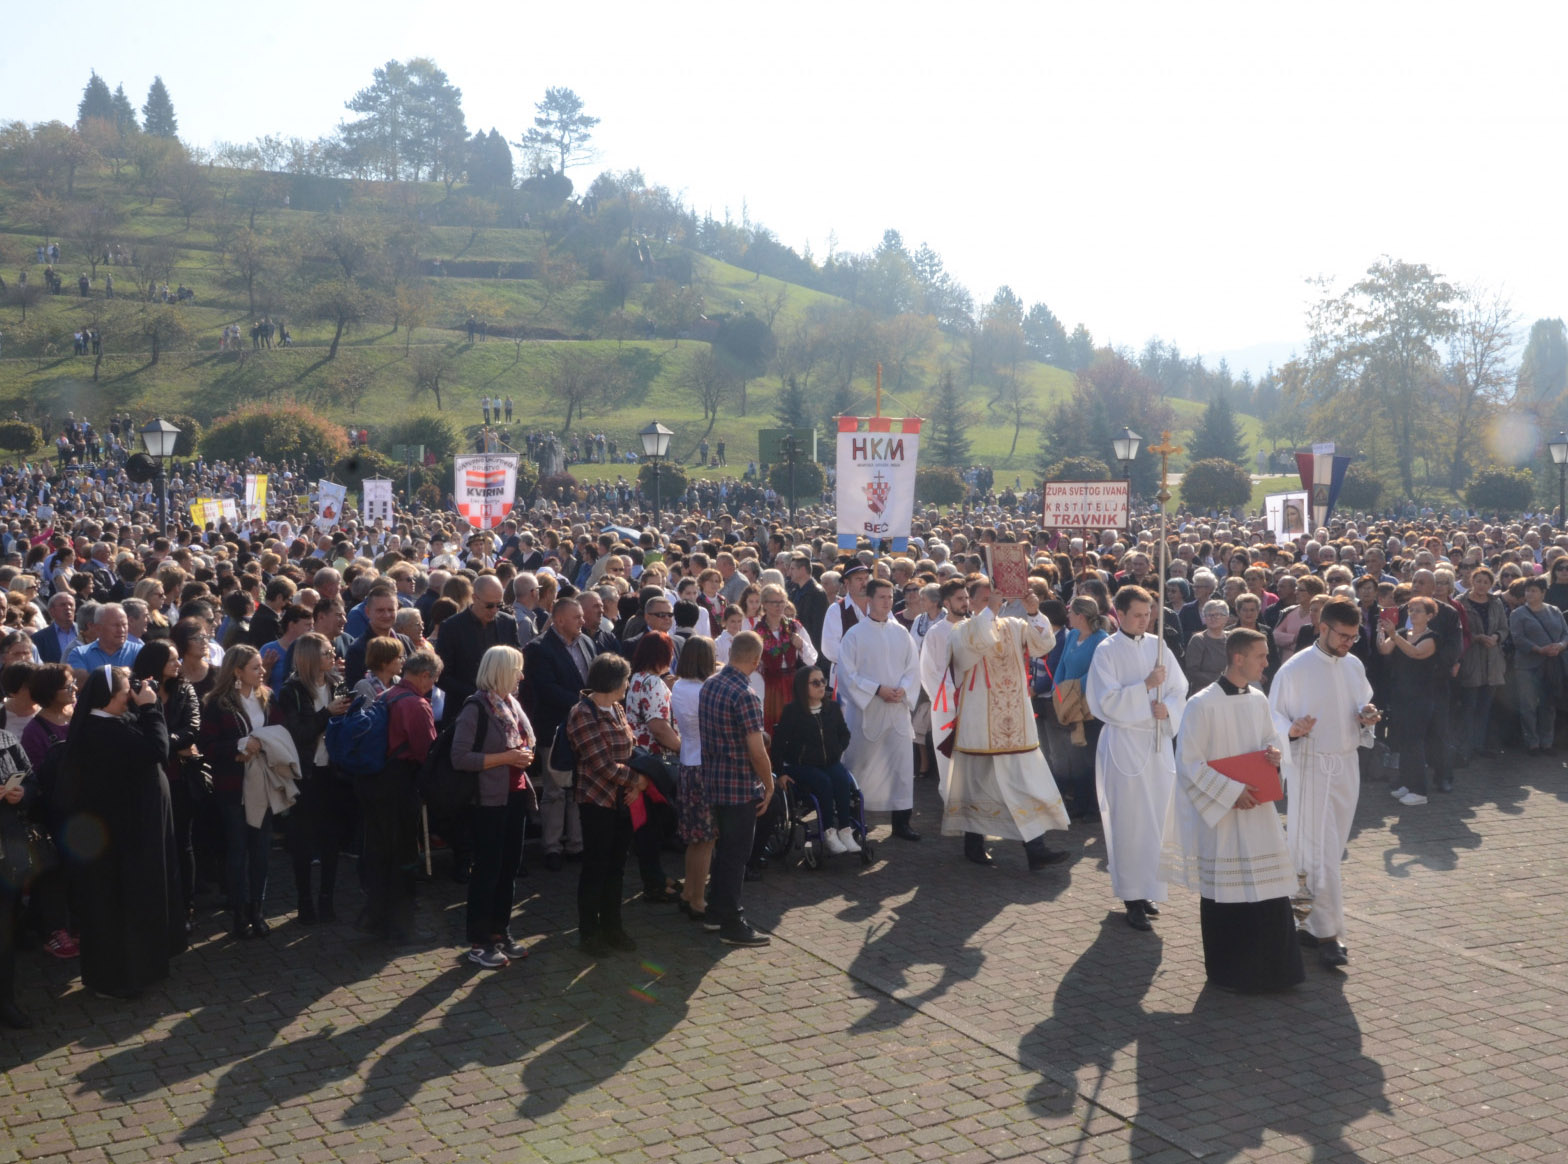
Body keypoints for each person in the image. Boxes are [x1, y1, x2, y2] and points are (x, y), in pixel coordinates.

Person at [1167, 628, 1304, 992]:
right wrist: (1229, 792)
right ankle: (1232, 974)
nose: (1266, 661)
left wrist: (1274, 758)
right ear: (1238, 658)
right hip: (1223, 815)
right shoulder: (1201, 704)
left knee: (1269, 888)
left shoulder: (1258, 699)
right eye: (1261, 656)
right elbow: (1189, 763)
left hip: (1257, 809)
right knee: (1227, 893)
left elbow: (1268, 744)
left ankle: (1278, 971)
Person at [59, 666, 185, 999]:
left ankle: (141, 969)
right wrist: (149, 708)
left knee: (133, 904)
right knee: (114, 908)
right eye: (126, 690)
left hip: (130, 832)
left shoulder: (113, 723)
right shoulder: (102, 730)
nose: (132, 693)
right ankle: (114, 981)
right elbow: (158, 750)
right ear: (110, 696)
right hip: (117, 840)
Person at [1268, 597, 1379, 970]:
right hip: (1312, 767)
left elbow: (1362, 702)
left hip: (1347, 765)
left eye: (1354, 637)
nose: (1349, 643)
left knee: (1324, 851)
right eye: (1343, 636)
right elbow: (1272, 718)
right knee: (1322, 853)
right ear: (1323, 628)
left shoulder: (1354, 664)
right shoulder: (1295, 668)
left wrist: (1367, 716)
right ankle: (1329, 933)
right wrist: (1292, 730)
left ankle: (1302, 918)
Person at [943, 576, 1071, 869]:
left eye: (997, 596)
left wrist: (1033, 611)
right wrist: (990, 610)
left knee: (1023, 782)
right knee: (978, 785)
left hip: (1016, 721)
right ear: (973, 601)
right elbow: (973, 645)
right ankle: (974, 843)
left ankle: (1036, 849)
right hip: (980, 723)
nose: (994, 601)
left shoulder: (1014, 626)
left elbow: (1044, 644)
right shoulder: (961, 629)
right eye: (986, 597)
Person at [1085, 585, 1189, 931]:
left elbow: (1179, 689)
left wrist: (1168, 710)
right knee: (1129, 821)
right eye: (1138, 615)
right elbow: (1105, 702)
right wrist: (1145, 686)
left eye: (1148, 615)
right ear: (1120, 614)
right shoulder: (1106, 651)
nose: (1145, 621)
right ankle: (1130, 896)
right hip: (1125, 743)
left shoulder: (1159, 647)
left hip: (1157, 743)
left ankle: (1148, 890)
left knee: (1155, 819)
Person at [451, 645, 536, 968]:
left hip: (513, 796)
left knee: (509, 867)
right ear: (501, 671)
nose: (522, 676)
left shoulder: (510, 705)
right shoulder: (476, 708)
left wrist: (521, 757)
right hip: (488, 800)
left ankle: (501, 930)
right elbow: (460, 758)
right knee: (487, 869)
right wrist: (508, 758)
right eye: (517, 669)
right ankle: (479, 939)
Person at [697, 631, 775, 947]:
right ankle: (731, 920)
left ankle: (716, 914)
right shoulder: (745, 693)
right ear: (756, 660)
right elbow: (757, 750)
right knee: (736, 854)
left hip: (714, 779)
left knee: (725, 850)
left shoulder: (710, 684)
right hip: (739, 784)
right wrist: (769, 785)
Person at [272, 633, 353, 925]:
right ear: (309, 657)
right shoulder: (292, 691)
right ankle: (304, 900)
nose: (333, 656)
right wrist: (326, 714)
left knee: (332, 840)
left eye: (333, 651)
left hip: (333, 771)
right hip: (305, 774)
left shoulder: (337, 684)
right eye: (327, 653)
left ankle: (327, 899)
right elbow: (297, 733)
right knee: (303, 842)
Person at [362, 650, 442, 942]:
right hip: (401, 783)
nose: (433, 687)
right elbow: (426, 753)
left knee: (381, 849)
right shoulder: (417, 705)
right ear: (424, 676)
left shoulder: (387, 695)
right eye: (433, 680)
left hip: (377, 781)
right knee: (404, 851)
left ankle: (376, 913)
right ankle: (400, 922)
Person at [567, 653, 641, 957]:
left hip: (622, 800)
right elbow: (602, 765)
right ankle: (589, 932)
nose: (628, 684)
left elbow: (631, 748)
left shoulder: (618, 709)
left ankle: (614, 927)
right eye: (625, 679)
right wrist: (637, 781)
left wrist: (636, 783)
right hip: (597, 800)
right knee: (596, 867)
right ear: (612, 681)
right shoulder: (582, 713)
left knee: (617, 867)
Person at [200, 645, 275, 939]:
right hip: (232, 787)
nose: (262, 672)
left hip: (263, 783)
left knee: (261, 850)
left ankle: (257, 910)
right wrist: (239, 746)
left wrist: (266, 745)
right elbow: (207, 746)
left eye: (261, 667)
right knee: (237, 850)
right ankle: (239, 914)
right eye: (255, 667)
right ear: (237, 671)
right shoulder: (217, 703)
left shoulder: (267, 697)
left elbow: (280, 730)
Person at [838, 579, 922, 841]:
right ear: (869, 600)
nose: (887, 601)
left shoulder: (901, 634)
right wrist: (876, 689)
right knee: (859, 765)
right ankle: (853, 820)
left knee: (901, 767)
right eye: (882, 597)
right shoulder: (854, 635)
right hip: (867, 711)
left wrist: (903, 690)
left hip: (896, 710)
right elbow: (847, 674)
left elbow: (913, 668)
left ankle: (901, 823)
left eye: (890, 596)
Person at [522, 597, 594, 870]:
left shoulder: (586, 642)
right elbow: (546, 688)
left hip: (583, 729)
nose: (583, 621)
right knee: (555, 790)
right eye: (577, 617)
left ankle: (576, 844)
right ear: (559, 619)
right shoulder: (539, 649)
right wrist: (584, 702)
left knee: (578, 788)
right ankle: (552, 846)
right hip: (554, 728)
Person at [772, 665, 859, 854]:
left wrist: (836, 749)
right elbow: (778, 744)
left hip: (829, 761)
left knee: (843, 780)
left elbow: (844, 734)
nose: (821, 686)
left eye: (823, 681)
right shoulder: (792, 711)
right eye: (815, 682)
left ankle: (845, 830)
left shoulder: (833, 708)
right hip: (801, 765)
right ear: (803, 687)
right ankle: (829, 832)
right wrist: (780, 773)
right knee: (824, 782)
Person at [670, 636, 717, 921]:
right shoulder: (704, 689)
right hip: (704, 766)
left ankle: (690, 892)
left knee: (694, 838)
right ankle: (698, 899)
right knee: (706, 839)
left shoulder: (678, 686)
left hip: (687, 762)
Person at [1378, 596, 1441, 805]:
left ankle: (1420, 790)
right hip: (1401, 695)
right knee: (1404, 741)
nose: (1413, 614)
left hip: (1421, 697)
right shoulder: (1403, 634)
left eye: (1419, 611)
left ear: (1429, 616)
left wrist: (1395, 636)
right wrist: (1383, 632)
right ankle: (1406, 782)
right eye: (1411, 610)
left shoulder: (1431, 637)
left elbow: (1415, 653)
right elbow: (1384, 649)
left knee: (1415, 742)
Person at [1055, 595, 1109, 821]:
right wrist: (1058, 690)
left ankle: (1093, 807)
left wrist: (1074, 690)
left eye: (1070, 612)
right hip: (1068, 703)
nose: (1067, 615)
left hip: (1088, 706)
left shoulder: (1101, 638)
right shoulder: (1073, 635)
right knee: (1074, 758)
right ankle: (1078, 803)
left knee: (1090, 758)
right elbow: (1062, 664)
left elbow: (1097, 669)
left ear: (1081, 616)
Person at [1507, 576, 1568, 756]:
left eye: (1534, 590)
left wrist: (1560, 646)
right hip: (1528, 665)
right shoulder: (1518, 614)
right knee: (1528, 704)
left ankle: (1546, 742)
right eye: (1527, 590)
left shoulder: (1554, 611)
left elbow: (1565, 633)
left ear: (1543, 593)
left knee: (1548, 705)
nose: (1529, 594)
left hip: (1551, 664)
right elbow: (1518, 638)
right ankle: (1532, 742)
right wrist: (1539, 649)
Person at [918, 578, 965, 801]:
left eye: (966, 598)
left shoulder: (975, 628)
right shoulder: (936, 633)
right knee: (948, 757)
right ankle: (951, 802)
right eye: (959, 599)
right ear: (946, 602)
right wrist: (954, 695)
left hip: (974, 704)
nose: (965, 602)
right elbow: (929, 673)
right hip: (946, 706)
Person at [754, 583, 817, 733]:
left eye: (782, 601)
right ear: (764, 604)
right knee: (772, 724)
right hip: (768, 685)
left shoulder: (794, 627)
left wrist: (802, 646)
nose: (779, 606)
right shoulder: (757, 631)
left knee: (793, 724)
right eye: (774, 602)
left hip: (791, 682)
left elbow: (812, 658)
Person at [1183, 599, 1232, 693]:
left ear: (1226, 618)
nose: (1213, 618)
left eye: (1217, 614)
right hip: (1205, 691)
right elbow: (1192, 672)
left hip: (1229, 690)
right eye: (1209, 615)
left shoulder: (1232, 639)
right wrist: (1223, 680)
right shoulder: (1198, 640)